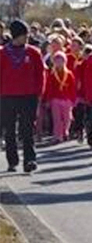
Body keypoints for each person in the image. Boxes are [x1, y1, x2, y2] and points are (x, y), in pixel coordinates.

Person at [0, 20, 45, 172]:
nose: (27, 37)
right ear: (16, 35)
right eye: (24, 35)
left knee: (27, 129)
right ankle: (12, 160)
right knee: (10, 129)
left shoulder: (33, 52)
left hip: (28, 96)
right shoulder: (2, 53)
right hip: (7, 96)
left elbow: (40, 75)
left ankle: (30, 160)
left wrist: (39, 93)